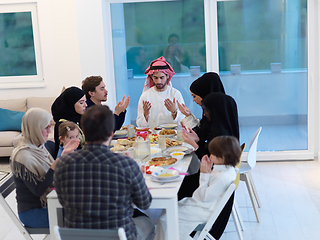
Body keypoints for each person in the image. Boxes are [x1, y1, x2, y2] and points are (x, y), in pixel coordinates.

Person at [54, 105, 154, 240]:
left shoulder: (63, 164)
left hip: (78, 237)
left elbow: (63, 201)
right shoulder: (126, 164)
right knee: (148, 223)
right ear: (111, 134)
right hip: (117, 235)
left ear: (83, 132)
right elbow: (145, 202)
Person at [154, 136, 240, 240]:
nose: (210, 156)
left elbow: (203, 197)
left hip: (203, 211)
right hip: (203, 206)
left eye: (213, 154)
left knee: (165, 219)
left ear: (222, 157)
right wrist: (207, 172)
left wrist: (204, 174)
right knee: (167, 212)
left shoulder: (222, 177)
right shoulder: (226, 170)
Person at [10, 108, 78, 228]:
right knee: (82, 214)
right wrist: (54, 167)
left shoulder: (39, 147)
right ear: (35, 128)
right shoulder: (22, 156)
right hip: (33, 212)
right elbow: (38, 190)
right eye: (45, 128)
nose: (49, 131)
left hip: (50, 203)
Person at [136, 56, 185, 127]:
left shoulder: (175, 94)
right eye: (155, 78)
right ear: (152, 77)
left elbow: (183, 122)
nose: (159, 81)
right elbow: (139, 125)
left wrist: (174, 112)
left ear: (167, 76)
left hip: (173, 136)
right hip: (152, 136)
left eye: (161, 78)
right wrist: (145, 115)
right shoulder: (146, 96)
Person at [51, 86, 87, 158]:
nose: (85, 105)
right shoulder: (63, 124)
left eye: (85, 101)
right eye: (81, 103)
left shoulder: (78, 118)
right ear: (71, 104)